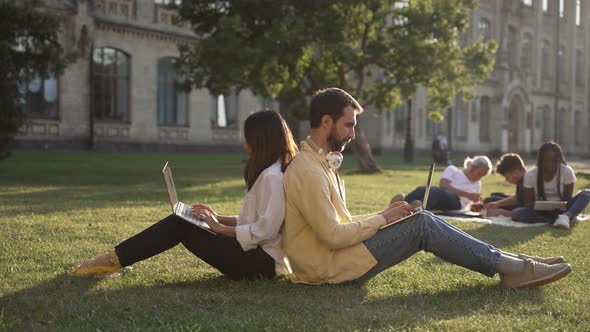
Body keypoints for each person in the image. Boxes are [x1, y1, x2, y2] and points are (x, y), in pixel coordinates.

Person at [282, 87, 571, 289]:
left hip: (339, 258)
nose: (353, 134)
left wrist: (385, 213)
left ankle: (515, 264)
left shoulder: (320, 164)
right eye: (348, 126)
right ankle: (515, 270)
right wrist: (383, 219)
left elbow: (339, 223)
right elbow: (333, 235)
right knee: (422, 224)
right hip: (328, 269)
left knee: (423, 218)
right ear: (326, 121)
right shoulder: (308, 170)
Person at [68, 110, 298, 280]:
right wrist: (217, 218)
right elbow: (256, 221)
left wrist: (220, 229)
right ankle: (113, 260)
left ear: (259, 139)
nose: (245, 144)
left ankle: (111, 261)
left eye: (248, 137)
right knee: (185, 220)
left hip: (259, 264)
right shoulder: (270, 172)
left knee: (181, 224)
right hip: (254, 256)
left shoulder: (273, 176)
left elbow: (266, 230)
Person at [512, 141, 590, 229]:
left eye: (554, 161)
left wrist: (559, 208)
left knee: (586, 193)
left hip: (564, 209)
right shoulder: (531, 174)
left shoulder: (567, 171)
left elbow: (568, 198)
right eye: (546, 161)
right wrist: (545, 208)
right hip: (541, 211)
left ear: (559, 159)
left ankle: (566, 217)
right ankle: (559, 220)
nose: (550, 165)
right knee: (517, 213)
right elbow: (528, 202)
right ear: (540, 161)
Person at [401, 156, 492, 211]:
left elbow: (471, 203)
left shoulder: (478, 184)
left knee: (436, 192)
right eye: (479, 173)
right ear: (472, 168)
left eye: (483, 176)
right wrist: (468, 195)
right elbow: (443, 184)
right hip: (442, 195)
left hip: (456, 203)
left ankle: (415, 209)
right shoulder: (453, 170)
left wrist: (477, 203)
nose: (480, 177)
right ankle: (402, 202)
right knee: (424, 189)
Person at [483, 153, 527, 217]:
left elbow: (523, 204)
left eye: (507, 177)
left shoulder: (525, 182)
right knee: (495, 196)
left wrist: (503, 212)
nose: (506, 180)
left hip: (523, 207)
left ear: (515, 173)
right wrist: (497, 204)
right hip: (520, 203)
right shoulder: (521, 181)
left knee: (489, 200)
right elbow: (519, 197)